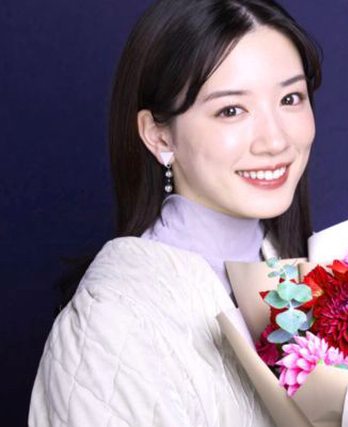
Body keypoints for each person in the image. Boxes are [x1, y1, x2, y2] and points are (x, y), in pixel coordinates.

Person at [28, 0, 322, 425]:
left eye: (290, 98)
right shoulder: (110, 324)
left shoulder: (307, 278)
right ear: (159, 136)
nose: (275, 140)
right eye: (231, 110)